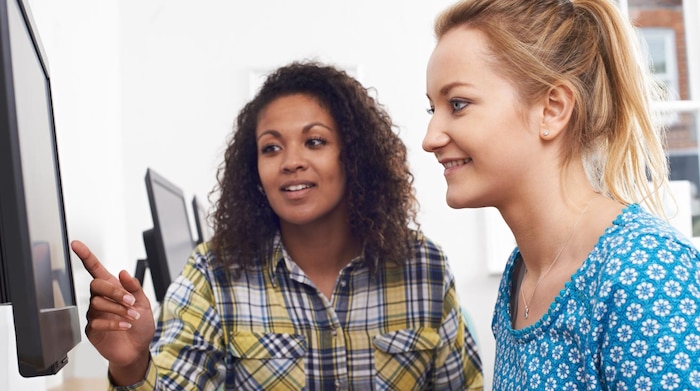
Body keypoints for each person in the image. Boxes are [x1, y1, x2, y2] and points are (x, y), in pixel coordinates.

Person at [73, 61, 483, 390]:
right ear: (254, 169)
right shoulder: (213, 275)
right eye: (271, 147)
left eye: (315, 141)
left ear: (353, 156)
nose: (290, 162)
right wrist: (132, 365)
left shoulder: (423, 268)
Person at [422, 0, 700, 390]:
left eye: (458, 104)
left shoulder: (644, 272)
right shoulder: (521, 273)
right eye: (431, 109)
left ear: (552, 110)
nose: (430, 138)